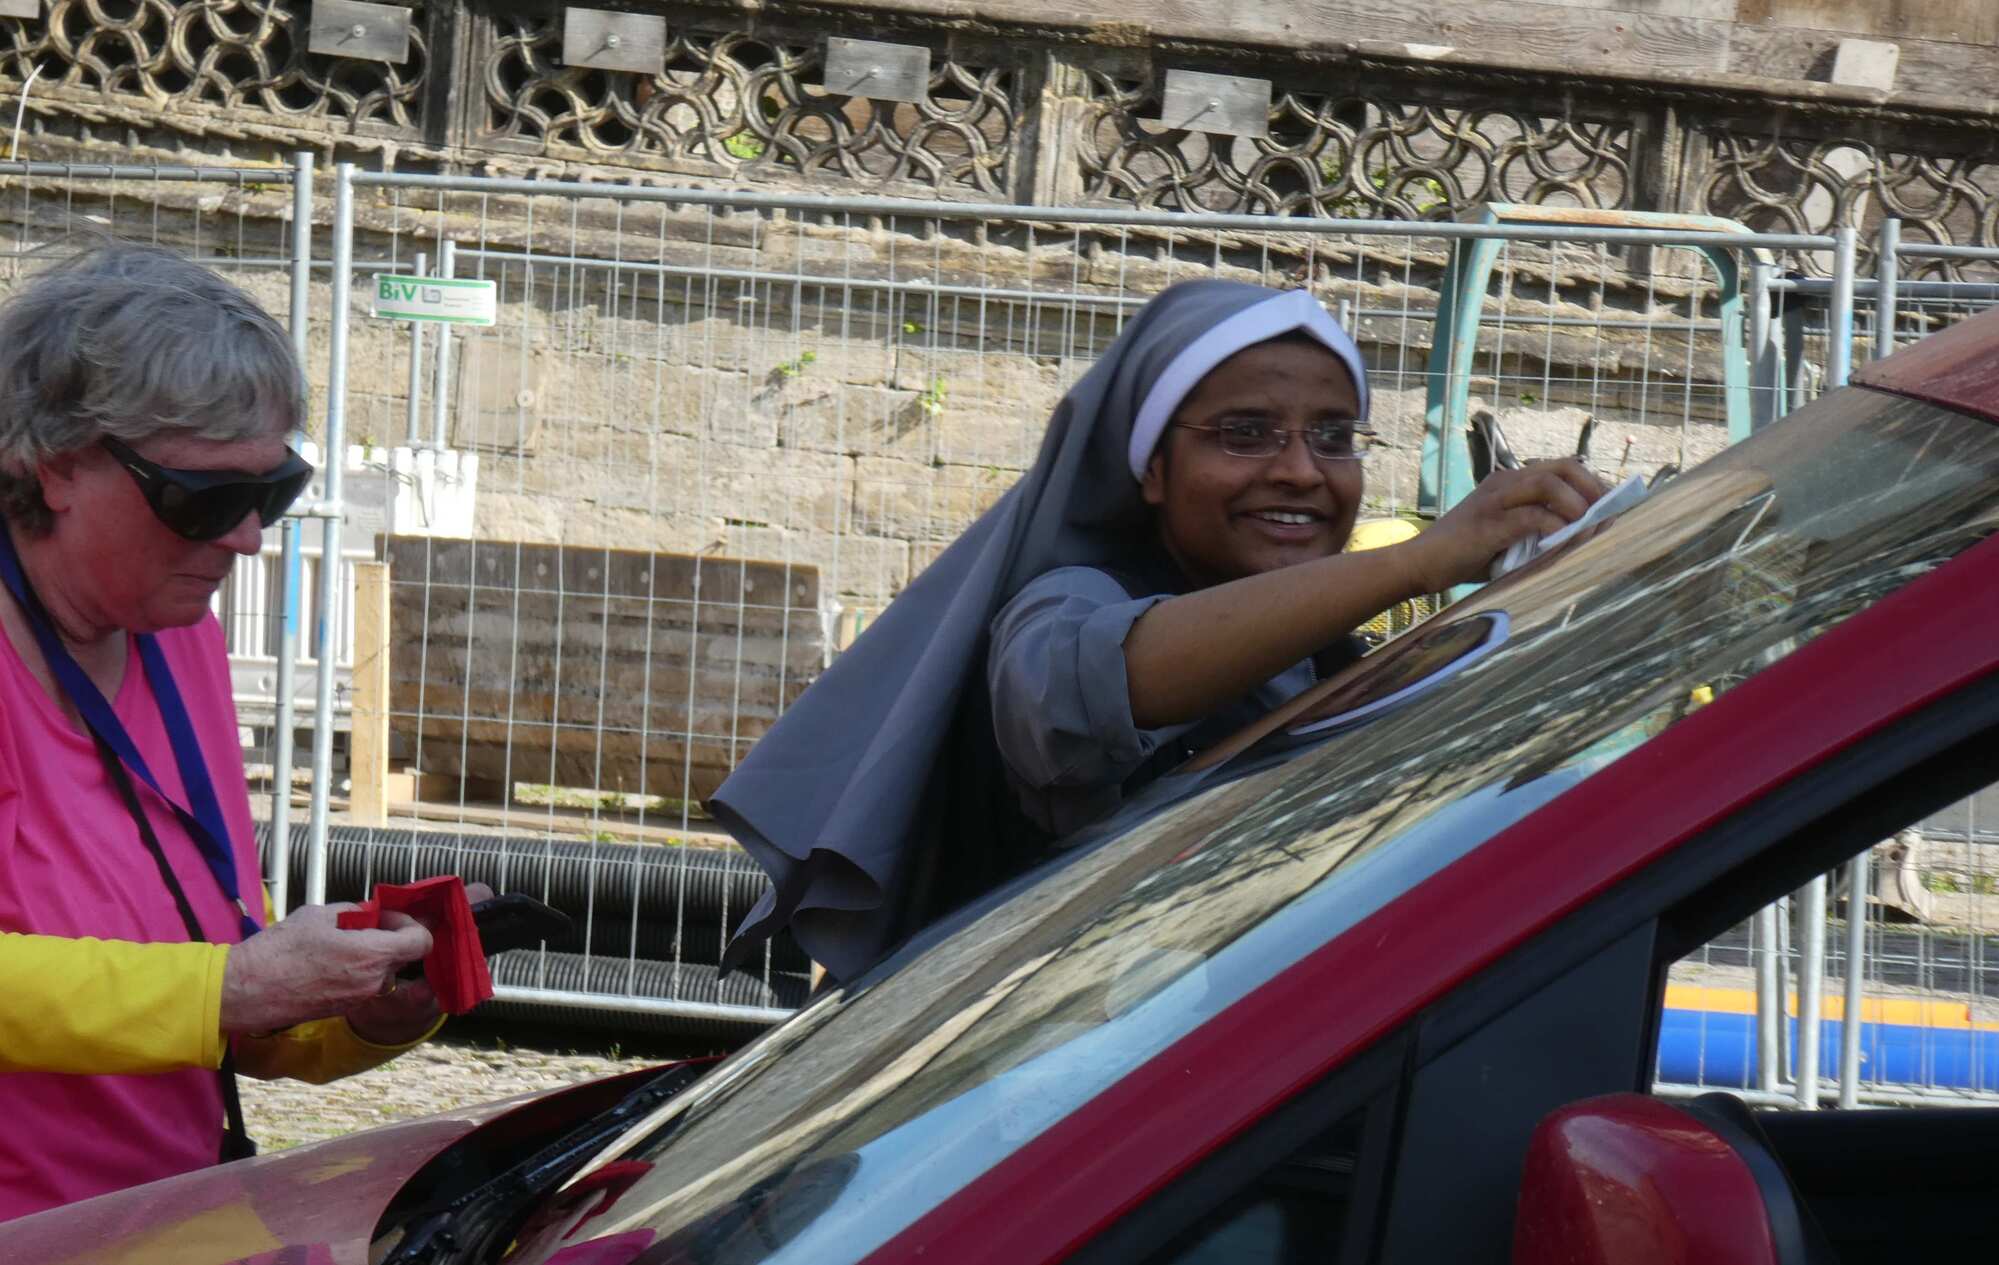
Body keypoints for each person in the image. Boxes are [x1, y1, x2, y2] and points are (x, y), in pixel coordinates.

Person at [712, 280, 1603, 984]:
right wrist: (1418, 561)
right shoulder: (1064, 601)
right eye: (1245, 433)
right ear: (1151, 468)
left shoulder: (1321, 653)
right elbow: (1085, 686)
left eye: (1333, 436)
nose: (1301, 470)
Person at [0, 245, 487, 1221]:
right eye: (206, 499)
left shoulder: (181, 640)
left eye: (273, 492)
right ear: (54, 466)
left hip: (148, 1227)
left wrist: (365, 1008)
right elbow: (211, 987)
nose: (248, 538)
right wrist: (232, 986)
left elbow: (218, 991)